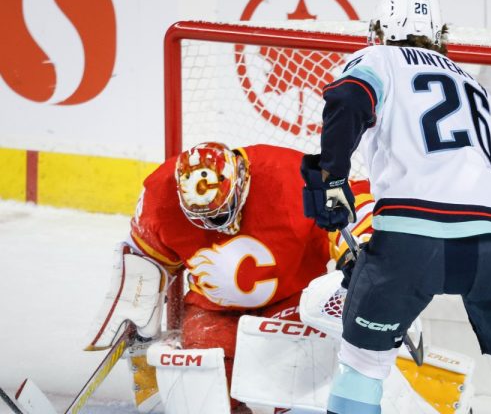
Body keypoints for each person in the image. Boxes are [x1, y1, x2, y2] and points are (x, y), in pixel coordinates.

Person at [300, 0, 491, 414]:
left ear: (380, 29)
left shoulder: (378, 59)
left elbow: (347, 98)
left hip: (414, 239)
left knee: (362, 366)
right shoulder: (469, 80)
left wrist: (330, 177)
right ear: (439, 32)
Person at [84, 142, 372, 413]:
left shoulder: (289, 172)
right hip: (212, 309)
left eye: (221, 214)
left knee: (294, 371)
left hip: (293, 299)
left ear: (242, 182)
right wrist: (140, 326)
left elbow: (352, 197)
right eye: (205, 219)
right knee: (204, 378)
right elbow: (144, 258)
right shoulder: (161, 194)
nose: (214, 225)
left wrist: (359, 243)